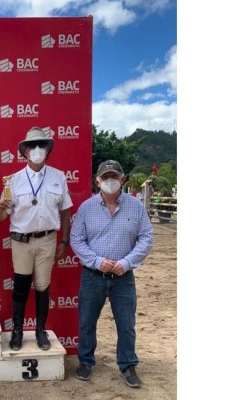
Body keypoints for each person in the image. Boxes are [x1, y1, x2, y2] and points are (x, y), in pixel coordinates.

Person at [70, 160, 154, 388]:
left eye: (114, 177)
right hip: (93, 276)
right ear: (97, 181)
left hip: (123, 277)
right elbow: (76, 239)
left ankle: (127, 365)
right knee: (87, 322)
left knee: (126, 324)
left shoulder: (135, 206)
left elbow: (146, 237)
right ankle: (86, 362)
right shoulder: (86, 208)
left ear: (122, 179)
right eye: (105, 177)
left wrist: (126, 262)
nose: (109, 181)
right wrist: (97, 261)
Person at [0, 127, 72, 351]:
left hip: (48, 239)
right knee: (20, 286)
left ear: (47, 150)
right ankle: (17, 331)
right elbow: (1, 216)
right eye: (32, 146)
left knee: (42, 286)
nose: (37, 149)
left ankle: (40, 331)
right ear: (25, 151)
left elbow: (65, 212)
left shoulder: (58, 176)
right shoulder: (14, 180)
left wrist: (64, 241)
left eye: (42, 145)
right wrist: (0, 209)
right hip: (21, 242)